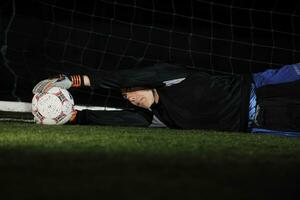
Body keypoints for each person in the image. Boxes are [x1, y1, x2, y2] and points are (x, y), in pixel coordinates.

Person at [33, 62, 300, 135]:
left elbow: (125, 76)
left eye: (130, 92)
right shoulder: (156, 119)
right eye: (128, 99)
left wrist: (80, 80)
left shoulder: (172, 77)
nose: (132, 99)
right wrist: (74, 118)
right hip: (258, 123)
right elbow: (115, 119)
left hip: (258, 88)